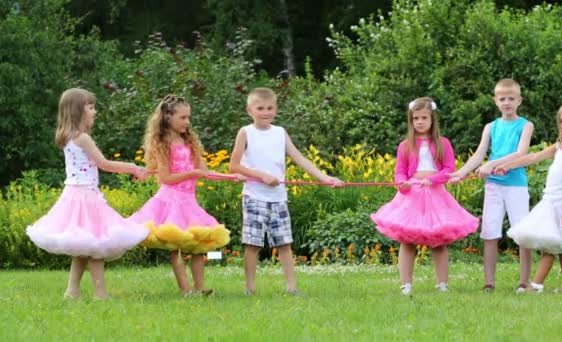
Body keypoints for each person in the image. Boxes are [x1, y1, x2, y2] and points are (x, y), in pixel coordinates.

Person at [26, 88, 149, 300]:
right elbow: (104, 164)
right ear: (77, 111)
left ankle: (72, 291)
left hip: (73, 195)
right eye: (90, 107)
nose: (94, 111)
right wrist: (133, 167)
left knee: (82, 246)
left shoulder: (67, 137)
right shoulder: (82, 138)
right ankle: (100, 294)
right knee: (96, 245)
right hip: (85, 197)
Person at [229, 87, 343, 296]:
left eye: (270, 108)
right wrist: (261, 175)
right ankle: (250, 288)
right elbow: (234, 166)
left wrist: (325, 178)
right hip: (254, 197)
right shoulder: (246, 132)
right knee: (253, 245)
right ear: (249, 110)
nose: (265, 112)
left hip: (278, 198)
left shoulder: (280, 133)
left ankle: (292, 288)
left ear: (276, 109)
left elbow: (301, 159)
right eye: (260, 108)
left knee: (284, 244)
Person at [129, 95, 242, 296]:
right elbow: (165, 177)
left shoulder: (189, 141)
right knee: (177, 247)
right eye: (182, 117)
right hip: (170, 201)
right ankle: (185, 290)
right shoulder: (162, 143)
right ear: (167, 118)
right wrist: (192, 173)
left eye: (188, 117)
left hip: (189, 202)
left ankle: (199, 288)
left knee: (198, 246)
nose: (187, 122)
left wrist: (231, 176)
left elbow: (205, 172)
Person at [371, 97, 479, 295]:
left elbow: (449, 168)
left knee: (438, 240)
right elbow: (400, 171)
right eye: (416, 118)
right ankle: (406, 284)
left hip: (436, 195)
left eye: (424, 118)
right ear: (411, 121)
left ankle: (442, 283)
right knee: (407, 240)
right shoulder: (405, 145)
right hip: (412, 195)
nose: (420, 122)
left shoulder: (443, 143)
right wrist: (402, 183)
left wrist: (436, 179)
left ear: (432, 120)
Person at [496, 102, 562, 294]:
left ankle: (536, 285)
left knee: (551, 245)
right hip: (549, 202)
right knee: (561, 246)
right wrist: (508, 165)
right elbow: (533, 157)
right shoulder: (559, 146)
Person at [448, 79, 534, 293]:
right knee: (489, 232)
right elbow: (479, 154)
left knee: (522, 233)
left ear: (519, 101)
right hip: (493, 187)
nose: (507, 102)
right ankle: (489, 283)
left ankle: (524, 282)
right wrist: (461, 172)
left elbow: (521, 153)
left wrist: (492, 164)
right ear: (495, 101)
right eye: (502, 98)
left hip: (516, 186)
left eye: (511, 98)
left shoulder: (525, 125)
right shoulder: (491, 127)